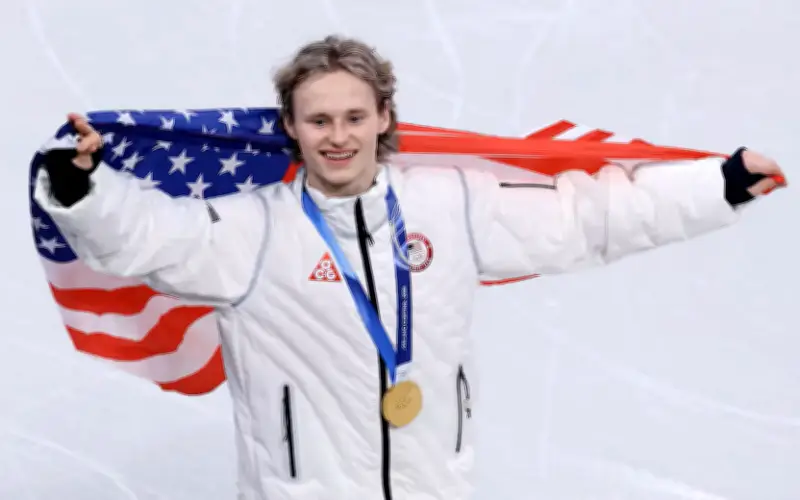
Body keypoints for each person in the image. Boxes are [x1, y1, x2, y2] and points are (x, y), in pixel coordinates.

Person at [33, 35, 786, 500]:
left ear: (384, 118)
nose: (337, 137)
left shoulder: (448, 204)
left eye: (354, 117)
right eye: (318, 120)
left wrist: (716, 185)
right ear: (290, 126)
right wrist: (82, 191)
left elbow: (583, 218)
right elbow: (146, 237)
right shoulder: (254, 229)